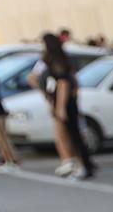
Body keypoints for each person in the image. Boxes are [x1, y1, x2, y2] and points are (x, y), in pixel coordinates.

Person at [40, 32, 95, 180]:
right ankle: (81, 165)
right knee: (72, 135)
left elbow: (63, 84)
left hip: (65, 103)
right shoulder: (60, 60)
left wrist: (60, 107)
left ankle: (84, 166)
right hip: (64, 101)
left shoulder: (57, 62)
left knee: (74, 135)